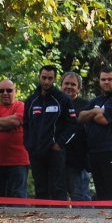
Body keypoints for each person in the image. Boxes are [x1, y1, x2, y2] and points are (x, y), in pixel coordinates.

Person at [23, 65, 77, 200]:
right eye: (44, 78)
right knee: (40, 189)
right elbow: (26, 125)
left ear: (54, 79)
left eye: (50, 78)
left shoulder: (63, 99)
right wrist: (29, 145)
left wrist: (59, 143)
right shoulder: (31, 100)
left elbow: (73, 124)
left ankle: (59, 219)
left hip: (55, 151)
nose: (46, 82)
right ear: (39, 77)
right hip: (36, 151)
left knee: (58, 188)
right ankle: (40, 218)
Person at [78, 67, 112, 201]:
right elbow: (81, 117)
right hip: (95, 152)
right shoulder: (98, 100)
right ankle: (103, 221)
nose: (106, 82)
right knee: (101, 193)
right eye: (103, 79)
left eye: (110, 79)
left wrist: (94, 113)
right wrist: (97, 111)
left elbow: (103, 119)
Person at [0, 80, 29, 197]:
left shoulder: (22, 106)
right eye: (1, 91)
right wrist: (7, 125)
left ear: (15, 91)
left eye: (9, 90)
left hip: (18, 161)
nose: (5, 93)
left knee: (18, 197)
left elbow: (15, 121)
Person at [61, 72, 92, 201]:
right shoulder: (55, 103)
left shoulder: (86, 106)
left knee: (79, 196)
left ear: (78, 89)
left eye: (73, 85)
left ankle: (86, 220)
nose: (69, 87)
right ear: (61, 86)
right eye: (66, 83)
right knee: (57, 197)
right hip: (56, 159)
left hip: (77, 161)